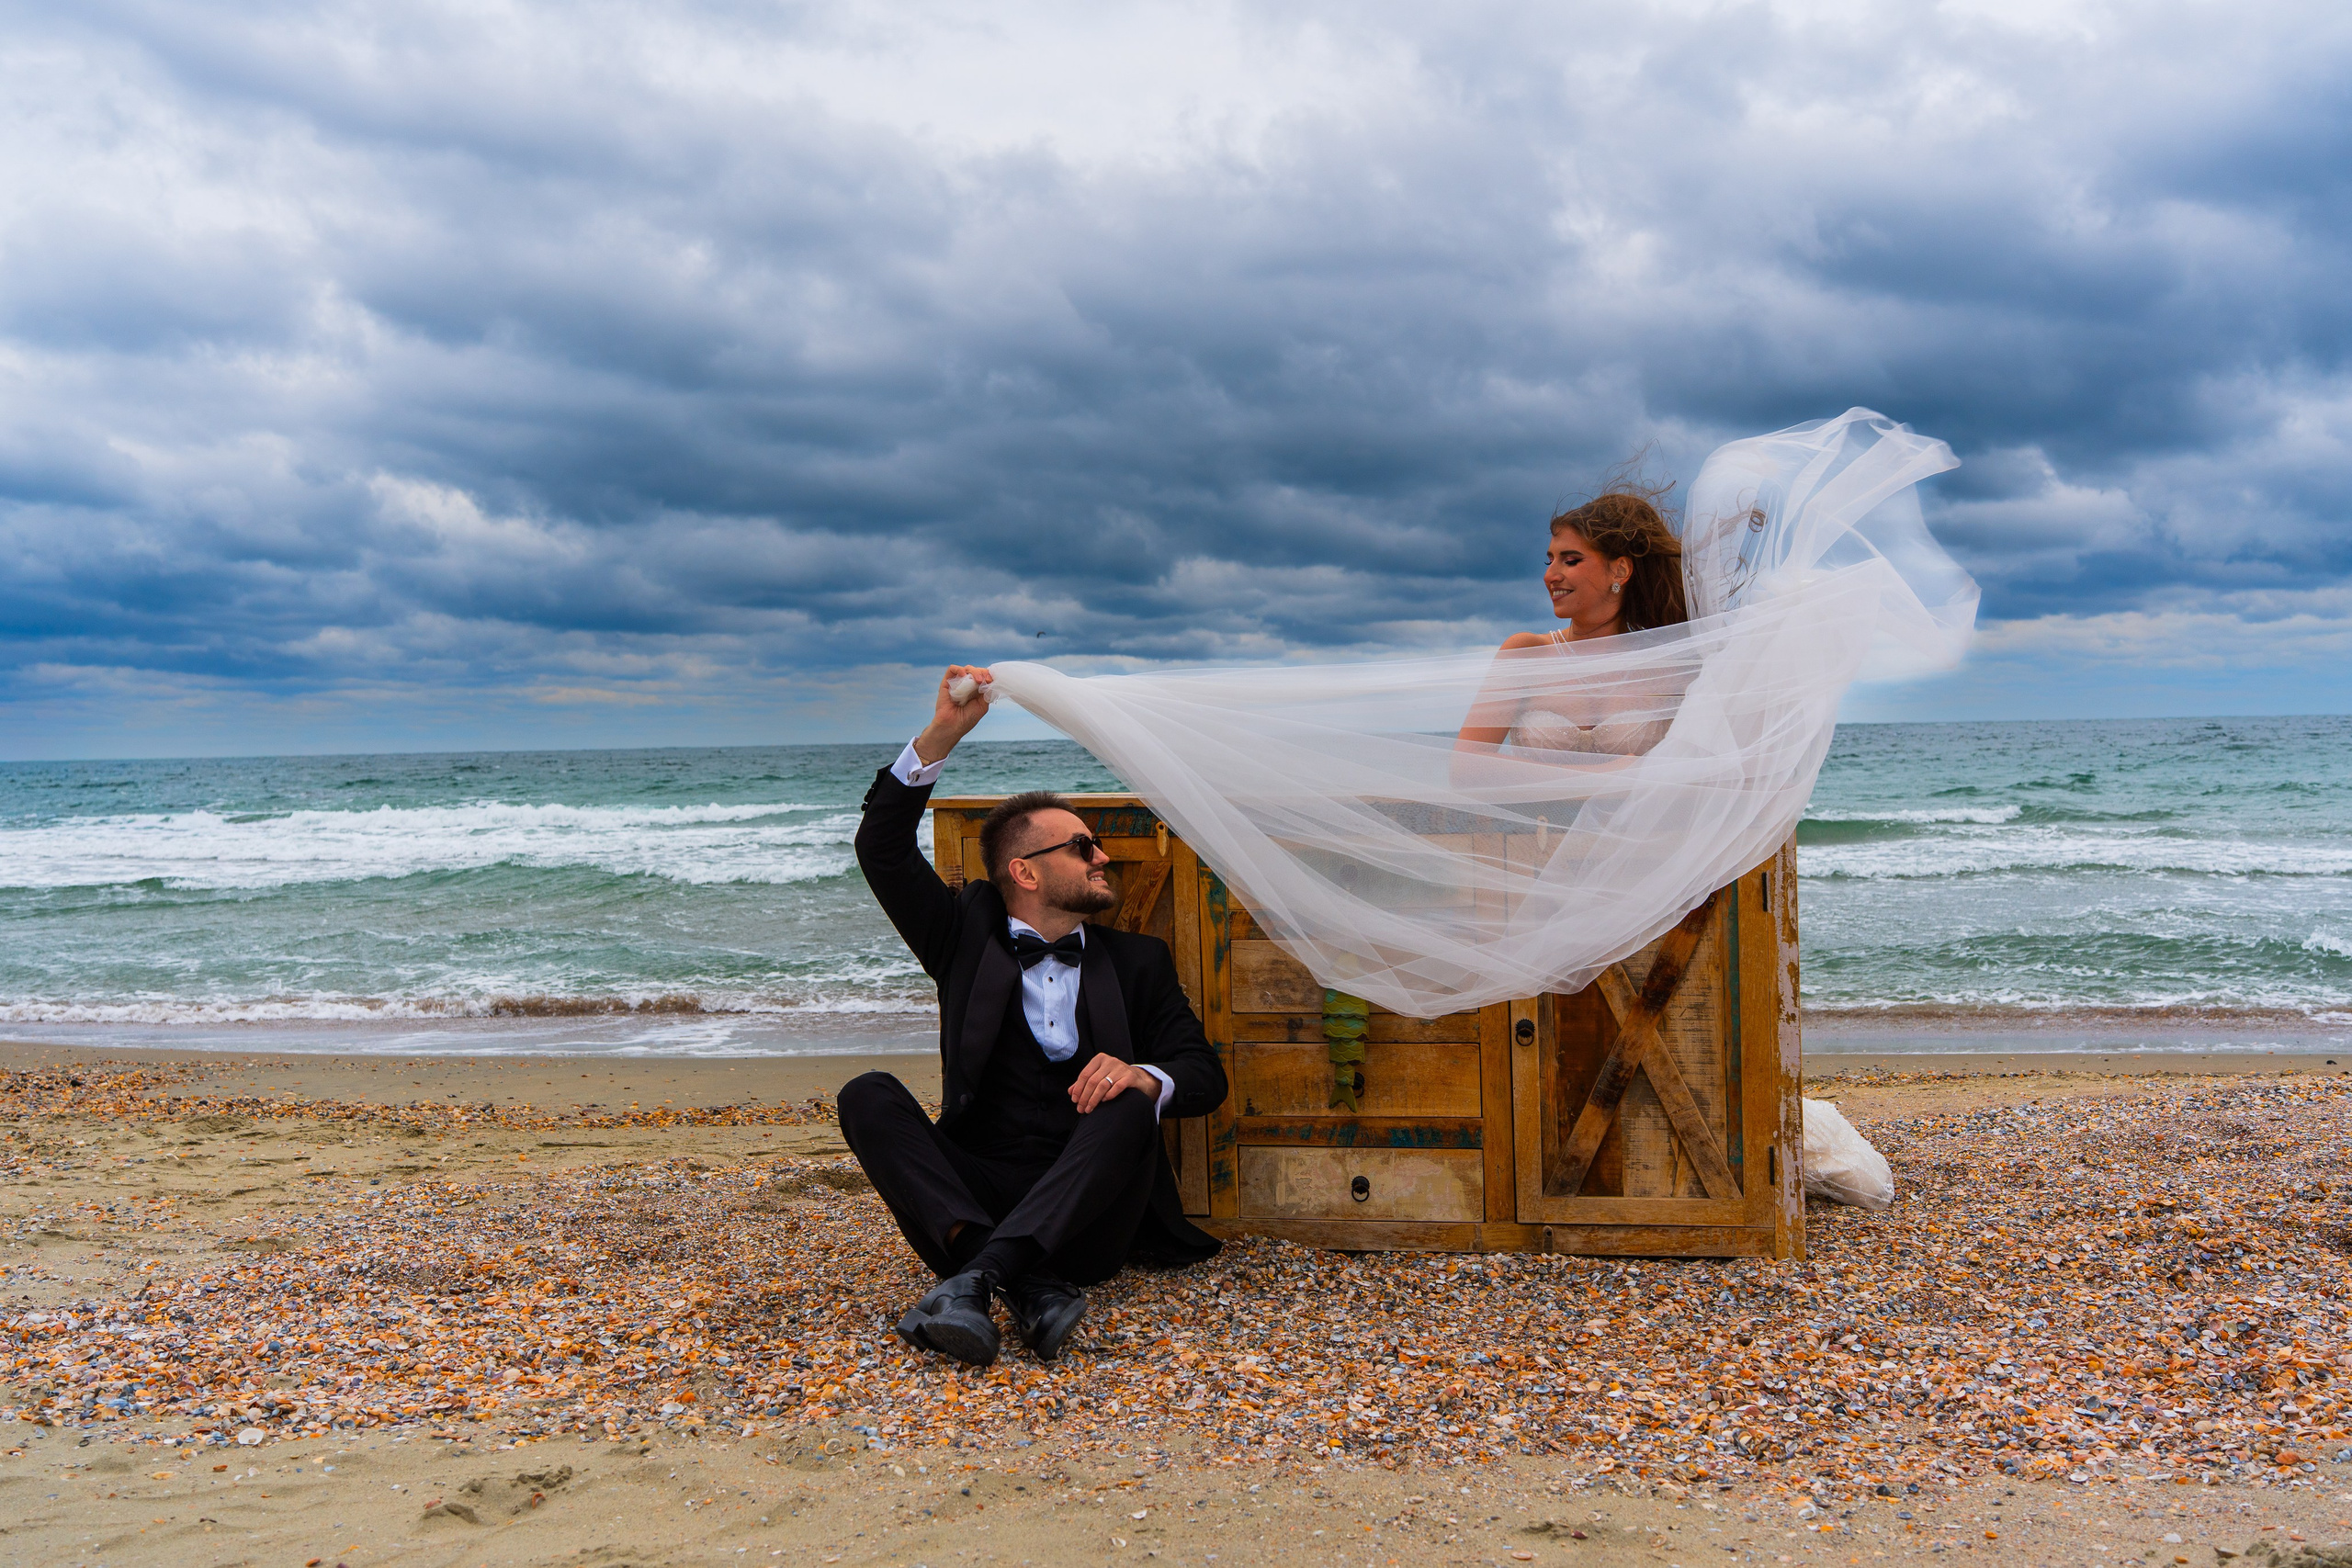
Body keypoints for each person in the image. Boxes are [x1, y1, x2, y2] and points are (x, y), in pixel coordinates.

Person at [839, 665, 1228, 1368]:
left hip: (1093, 1213)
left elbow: (1205, 1075)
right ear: (1024, 871)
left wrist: (1141, 1073)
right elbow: (882, 849)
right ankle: (1023, 1285)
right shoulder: (962, 939)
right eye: (1083, 846)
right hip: (975, 1190)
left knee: (1131, 1100)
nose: (1103, 855)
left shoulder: (1140, 962)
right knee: (866, 1094)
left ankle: (978, 1281)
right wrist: (940, 737)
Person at [1455, 482, 1692, 756]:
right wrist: (1606, 778)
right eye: (1550, 561)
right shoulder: (1527, 653)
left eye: (1570, 561)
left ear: (1620, 570)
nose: (1550, 575)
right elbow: (1465, 771)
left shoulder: (1670, 666)